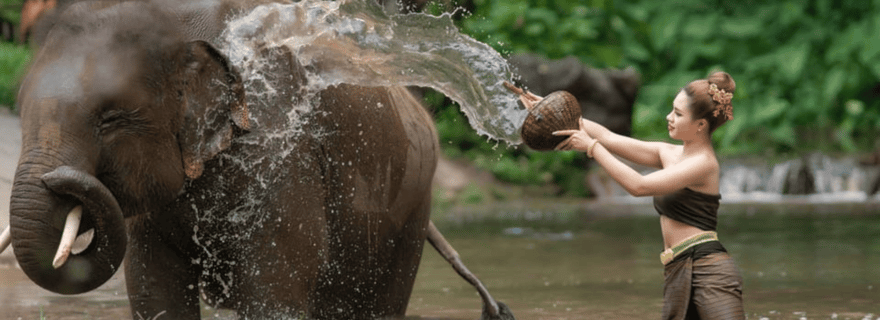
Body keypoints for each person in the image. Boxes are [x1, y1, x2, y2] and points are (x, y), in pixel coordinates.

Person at [546, 71, 744, 319]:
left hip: (708, 270)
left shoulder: (703, 164)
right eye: (672, 110)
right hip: (678, 266)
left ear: (701, 125)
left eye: (678, 114)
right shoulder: (669, 153)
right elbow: (608, 137)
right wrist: (549, 112)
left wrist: (592, 148)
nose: (669, 117)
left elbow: (638, 186)